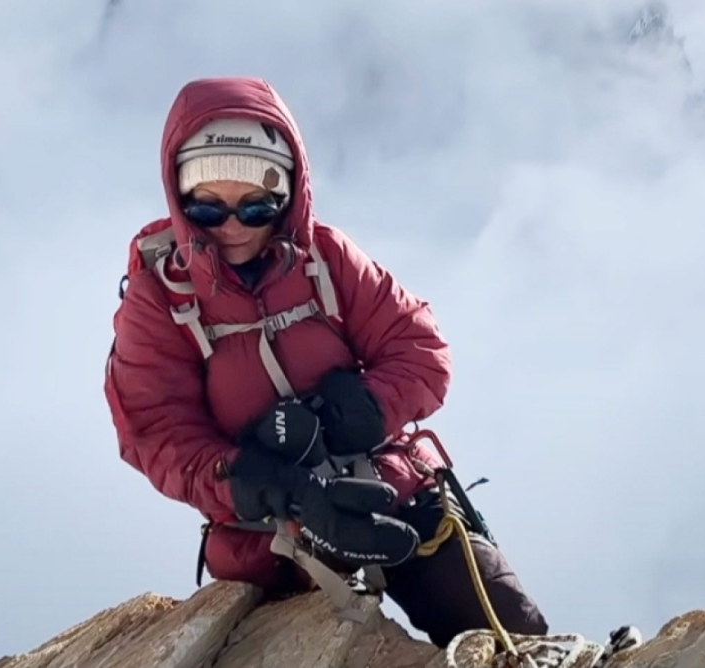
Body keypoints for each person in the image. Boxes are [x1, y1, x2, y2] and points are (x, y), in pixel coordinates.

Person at [103, 75, 548, 648]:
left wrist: (360, 410)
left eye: (257, 204)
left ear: (289, 194)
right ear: (179, 195)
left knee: (512, 632)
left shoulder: (325, 258)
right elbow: (152, 428)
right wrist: (252, 481)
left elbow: (421, 349)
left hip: (384, 486)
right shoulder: (162, 297)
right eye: (209, 209)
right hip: (267, 535)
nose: (235, 226)